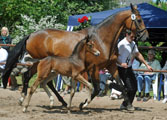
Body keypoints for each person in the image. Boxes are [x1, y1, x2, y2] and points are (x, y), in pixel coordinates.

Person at [117, 29, 153, 111]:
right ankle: (128, 104)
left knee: (135, 87)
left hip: (129, 68)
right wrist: (121, 63)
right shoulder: (121, 44)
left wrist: (147, 65)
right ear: (126, 34)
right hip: (121, 68)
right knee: (130, 88)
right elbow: (114, 57)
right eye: (131, 36)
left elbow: (138, 54)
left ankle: (125, 104)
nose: (133, 38)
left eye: (134, 37)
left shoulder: (133, 44)